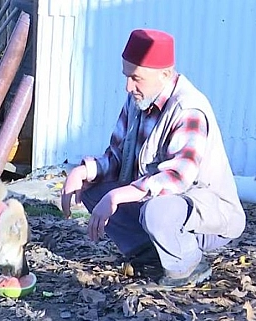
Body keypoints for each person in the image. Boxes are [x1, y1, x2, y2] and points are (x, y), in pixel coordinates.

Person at [61, 29, 245, 288]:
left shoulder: (188, 109)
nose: (128, 86)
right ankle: (150, 255)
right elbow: (116, 155)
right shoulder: (137, 99)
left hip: (206, 218)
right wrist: (83, 172)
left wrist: (117, 196)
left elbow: (177, 178)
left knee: (156, 211)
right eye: (126, 76)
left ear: (165, 74)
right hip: (159, 206)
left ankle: (188, 264)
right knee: (93, 188)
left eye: (136, 78)